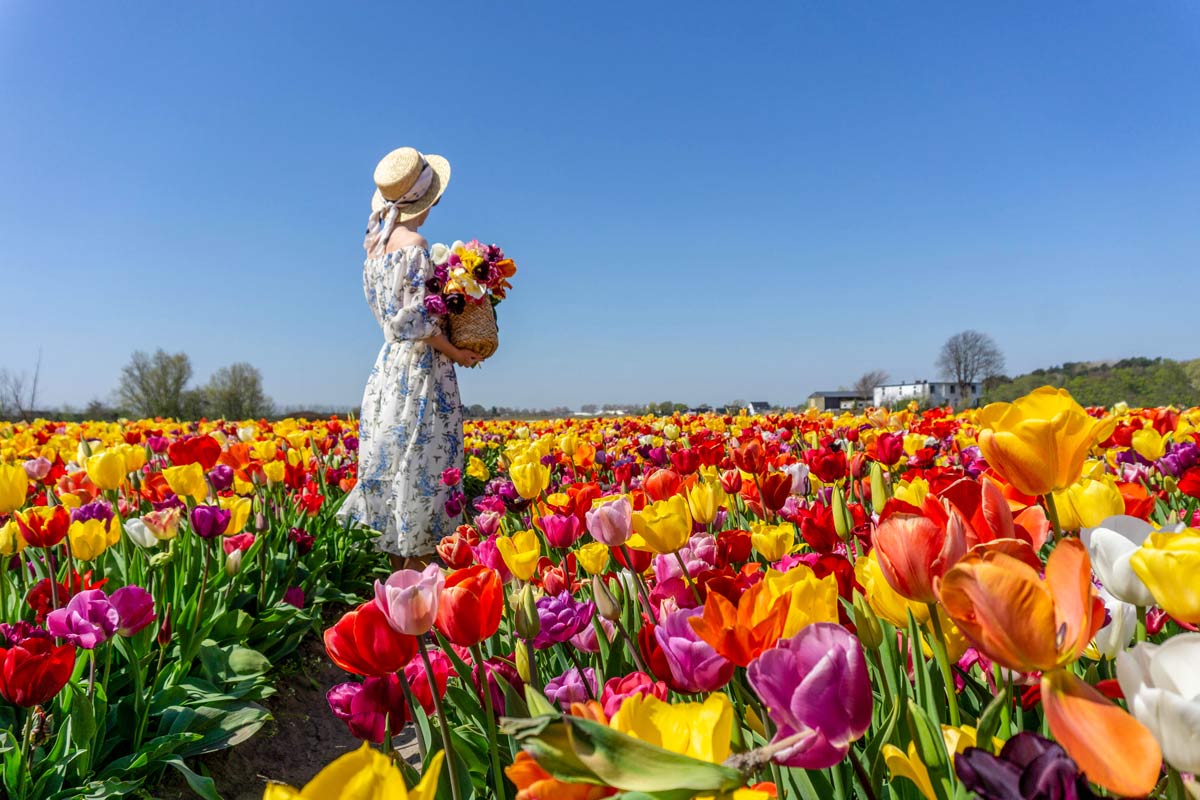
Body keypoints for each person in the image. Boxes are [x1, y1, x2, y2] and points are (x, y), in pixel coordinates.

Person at [338, 147, 482, 570]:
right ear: (429, 198)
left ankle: (400, 582)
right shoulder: (415, 246)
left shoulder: (374, 251)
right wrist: (457, 350)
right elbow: (419, 322)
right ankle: (423, 578)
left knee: (398, 460)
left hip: (388, 370)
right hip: (422, 369)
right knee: (423, 465)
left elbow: (395, 318)